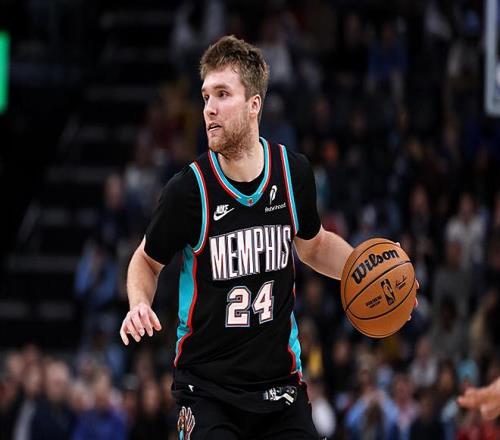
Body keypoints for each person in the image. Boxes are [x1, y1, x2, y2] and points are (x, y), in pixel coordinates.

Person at [119, 35, 415, 439]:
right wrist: (138, 302)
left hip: (279, 386)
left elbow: (314, 245)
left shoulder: (293, 173)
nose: (209, 108)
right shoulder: (189, 190)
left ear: (254, 104)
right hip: (207, 390)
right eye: (205, 96)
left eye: (223, 94)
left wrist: (371, 272)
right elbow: (146, 261)